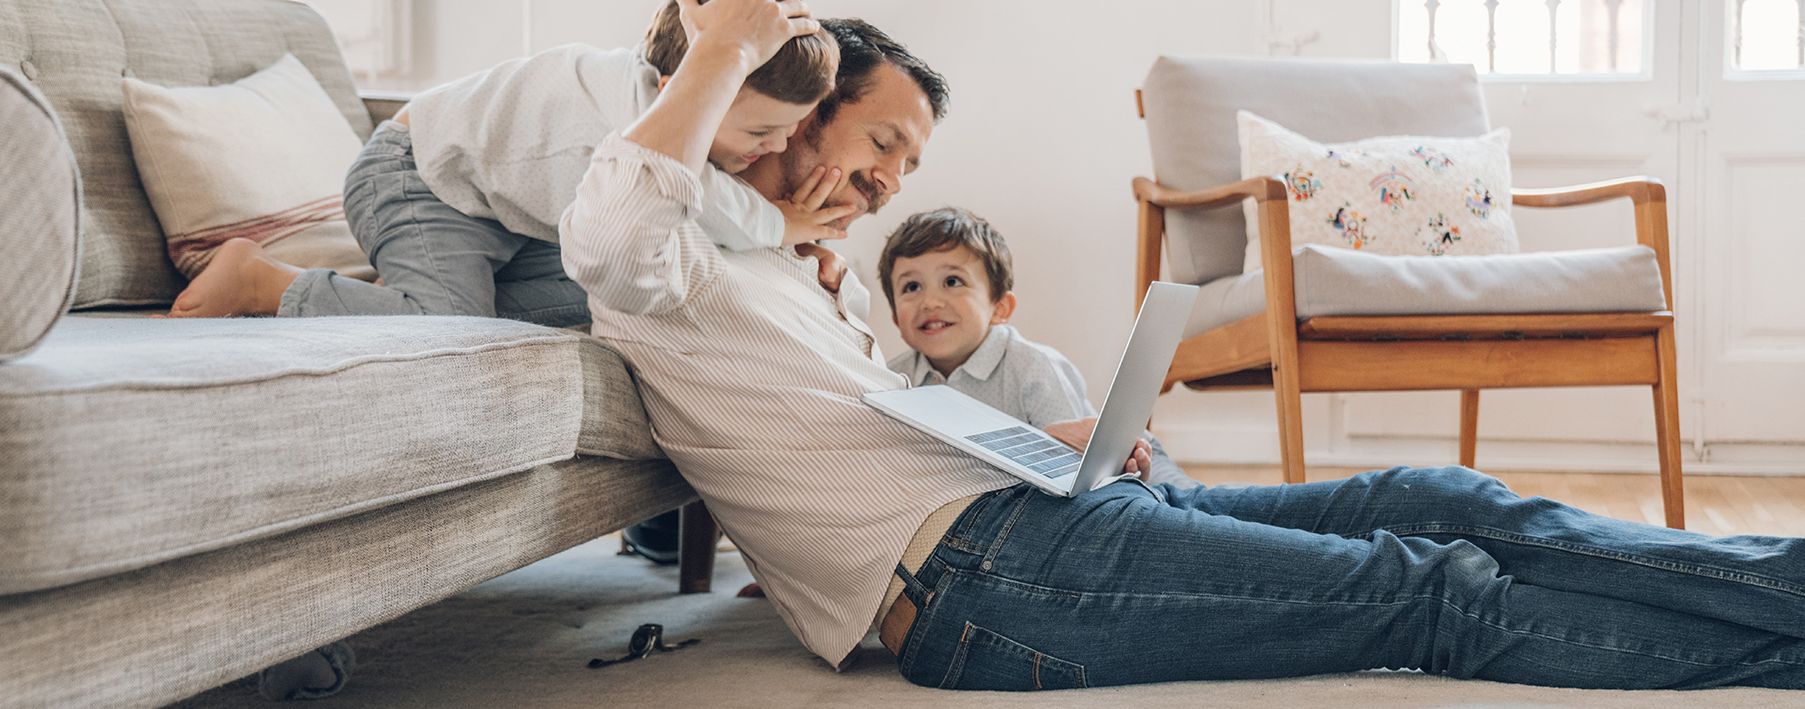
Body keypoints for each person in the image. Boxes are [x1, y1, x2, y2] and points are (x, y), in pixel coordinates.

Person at [563, 2, 1805, 692]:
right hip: (974, 587)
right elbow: (615, 236)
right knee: (1424, 587)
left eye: (904, 165)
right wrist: (728, 46)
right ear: (784, 113)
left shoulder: (793, 277)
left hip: (1027, 515)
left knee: (1439, 492)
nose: (886, 183)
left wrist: (1033, 438)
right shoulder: (663, 251)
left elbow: (862, 442)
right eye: (880, 144)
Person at [166, 0, 846, 323]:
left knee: (601, 309)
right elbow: (711, 203)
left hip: (508, 217)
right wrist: (782, 224)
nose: (780, 147)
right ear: (685, 91)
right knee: (449, 327)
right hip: (419, 181)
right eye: (764, 130)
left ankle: (397, 291)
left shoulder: (653, 96)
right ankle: (263, 280)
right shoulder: (630, 118)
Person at [877, 206, 1194, 488]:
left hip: (1126, 457)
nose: (930, 301)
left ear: (1000, 307)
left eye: (952, 282)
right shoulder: (893, 380)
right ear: (895, 317)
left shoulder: (1033, 367)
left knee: (1190, 501)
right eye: (912, 287)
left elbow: (1075, 470)